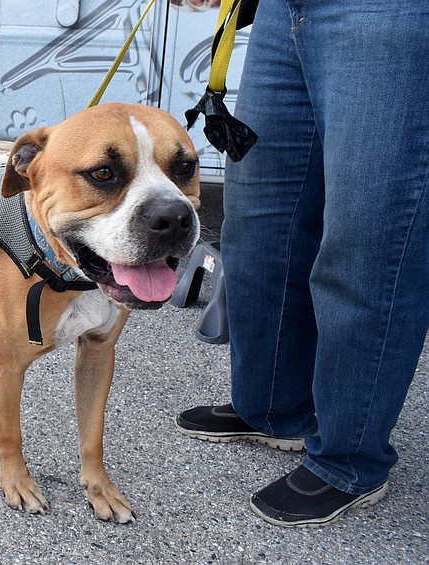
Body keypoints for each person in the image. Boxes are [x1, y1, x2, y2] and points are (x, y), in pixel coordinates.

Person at [175, 0, 429, 527]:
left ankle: (349, 459)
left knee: (370, 241)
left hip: (390, 12)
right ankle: (274, 409)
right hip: (280, 11)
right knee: (261, 226)